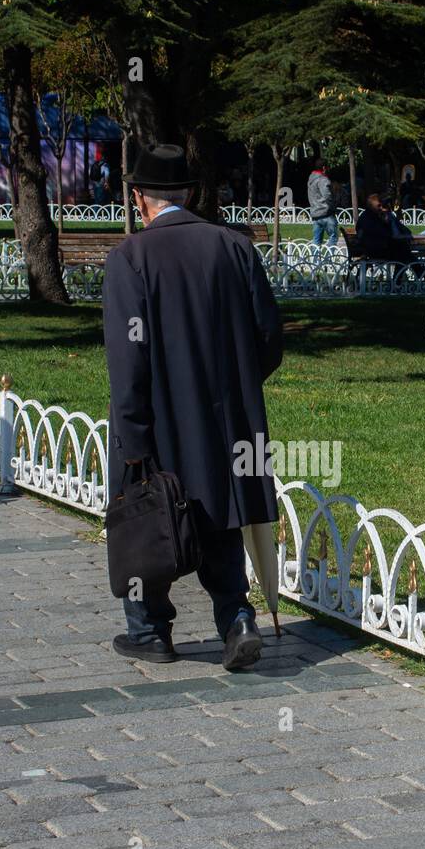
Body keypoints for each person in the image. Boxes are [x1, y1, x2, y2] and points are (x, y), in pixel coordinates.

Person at [102, 143, 283, 671]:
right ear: (188, 193)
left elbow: (127, 360)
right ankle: (236, 620)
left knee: (147, 516)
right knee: (219, 513)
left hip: (158, 422)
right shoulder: (235, 248)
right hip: (226, 421)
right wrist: (231, 386)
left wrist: (133, 432)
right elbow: (268, 338)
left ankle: (149, 629)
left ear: (140, 199)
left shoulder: (129, 259)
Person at [356, 193, 413, 260]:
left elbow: (406, 231)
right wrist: (388, 223)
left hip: (378, 248)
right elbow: (385, 235)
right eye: (378, 206)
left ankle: (419, 270)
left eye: (381, 205)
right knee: (405, 251)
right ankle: (421, 270)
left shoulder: (375, 216)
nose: (381, 208)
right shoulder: (368, 218)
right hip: (375, 251)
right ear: (371, 206)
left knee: (404, 251)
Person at [307, 160, 338, 246]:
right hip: (326, 213)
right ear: (324, 168)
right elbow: (327, 196)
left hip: (316, 214)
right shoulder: (323, 179)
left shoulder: (311, 179)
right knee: (333, 237)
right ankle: (330, 258)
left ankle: (315, 259)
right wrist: (333, 206)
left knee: (316, 241)